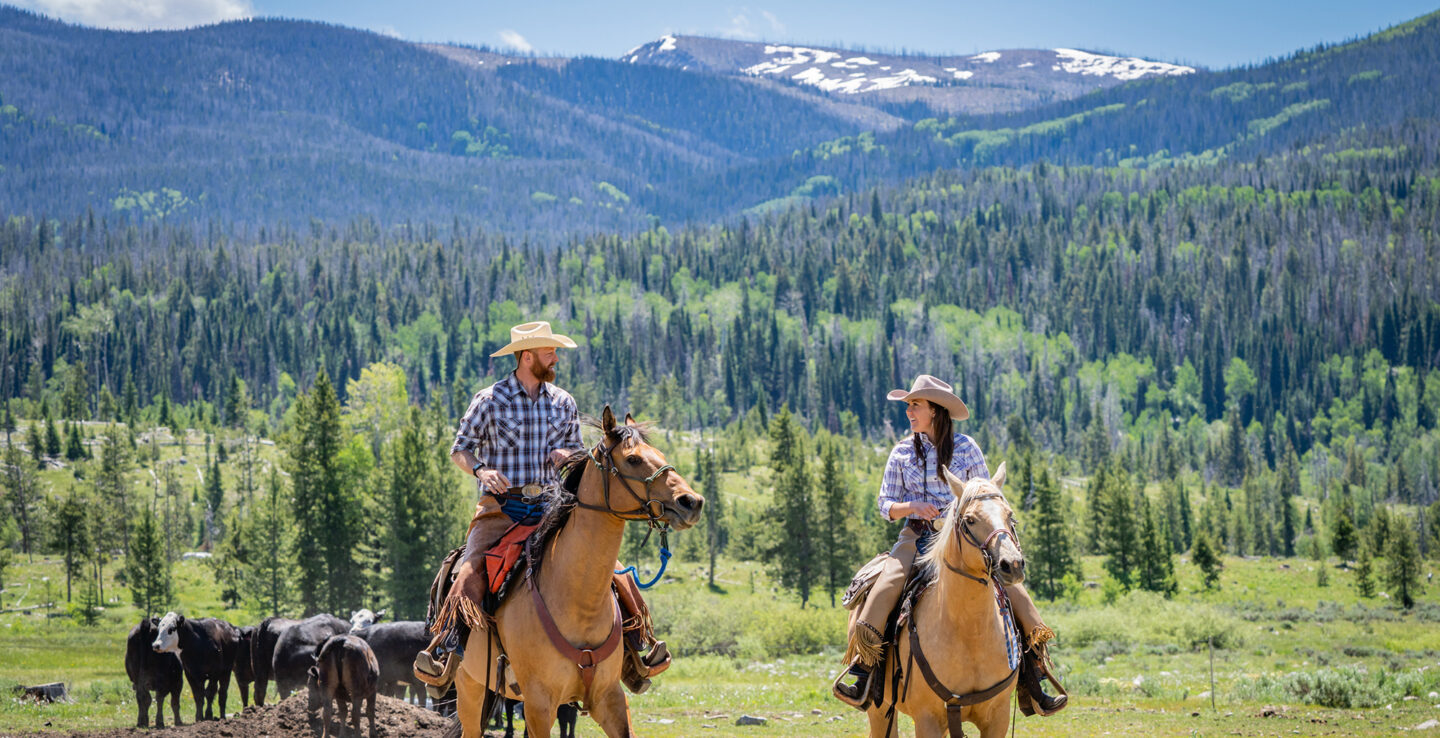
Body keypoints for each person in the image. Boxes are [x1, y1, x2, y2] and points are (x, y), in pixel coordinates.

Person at [833, 374, 1066, 715]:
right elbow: (885, 505)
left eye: (916, 405)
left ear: (936, 410)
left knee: (1012, 586)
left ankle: (1035, 673)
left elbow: (987, 494)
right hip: (918, 535)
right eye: (909, 405)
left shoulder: (968, 448)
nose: (909, 411)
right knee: (887, 584)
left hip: (965, 537)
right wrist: (912, 507)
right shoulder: (900, 452)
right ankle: (863, 668)